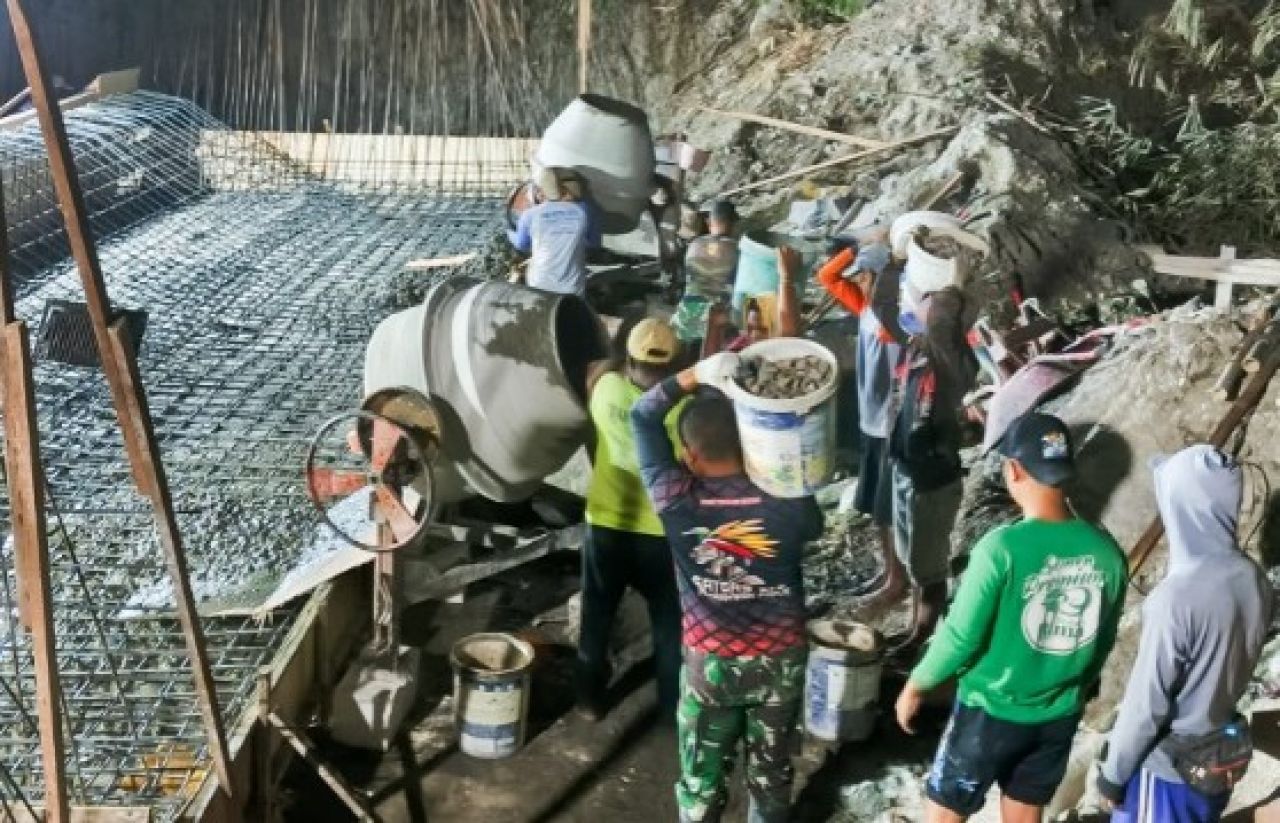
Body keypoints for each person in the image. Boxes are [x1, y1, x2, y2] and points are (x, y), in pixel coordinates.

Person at [895, 412, 1128, 823]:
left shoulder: (1000, 549)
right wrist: (1070, 685)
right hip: (1057, 716)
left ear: (1014, 470)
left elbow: (961, 636)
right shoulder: (1107, 553)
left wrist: (917, 684)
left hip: (989, 713)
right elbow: (1102, 640)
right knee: (1024, 814)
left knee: (946, 813)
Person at [632, 352, 823, 823]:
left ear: (691, 454)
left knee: (701, 781)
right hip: (780, 661)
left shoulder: (675, 499)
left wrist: (696, 375)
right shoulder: (789, 498)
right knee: (771, 776)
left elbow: (642, 414)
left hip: (710, 665)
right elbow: (814, 524)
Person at [1096, 445, 1273, 822]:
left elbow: (1147, 704)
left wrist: (1113, 775)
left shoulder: (1176, 598)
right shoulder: (1254, 580)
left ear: (1182, 506)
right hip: (1216, 761)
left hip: (1165, 771)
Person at [576, 318, 686, 720]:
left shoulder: (604, 389)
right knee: (669, 624)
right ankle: (672, 703)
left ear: (629, 357)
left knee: (598, 613)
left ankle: (588, 699)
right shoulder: (683, 408)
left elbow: (594, 370)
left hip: (606, 522)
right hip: (662, 532)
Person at [885, 281, 978, 654]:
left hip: (933, 480)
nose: (921, 309)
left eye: (930, 307)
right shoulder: (916, 348)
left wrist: (944, 294)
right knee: (913, 562)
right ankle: (915, 628)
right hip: (906, 469)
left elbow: (941, 318)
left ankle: (924, 637)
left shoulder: (954, 363)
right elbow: (883, 308)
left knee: (930, 567)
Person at [814, 240, 906, 608]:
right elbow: (827, 276)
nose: (863, 282)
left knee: (888, 508)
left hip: (890, 424)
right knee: (875, 506)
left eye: (869, 276)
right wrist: (853, 249)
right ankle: (891, 574)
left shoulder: (896, 320)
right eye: (863, 276)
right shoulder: (865, 308)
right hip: (871, 422)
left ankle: (898, 579)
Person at [507, 166, 601, 296]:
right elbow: (595, 243)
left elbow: (522, 245)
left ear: (539, 192)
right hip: (572, 287)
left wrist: (509, 233)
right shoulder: (584, 210)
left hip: (539, 284)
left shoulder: (529, 215)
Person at [702, 244, 803, 355]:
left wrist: (714, 326)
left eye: (751, 328)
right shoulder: (770, 354)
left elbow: (707, 364)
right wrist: (786, 278)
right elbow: (789, 337)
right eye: (762, 328)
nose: (754, 334)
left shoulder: (740, 345)